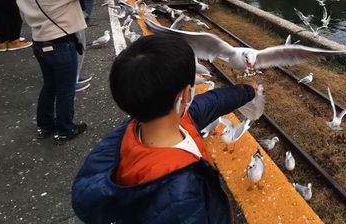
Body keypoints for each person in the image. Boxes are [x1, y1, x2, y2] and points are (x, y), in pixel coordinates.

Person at [72, 34, 257, 223]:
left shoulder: (131, 132)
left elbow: (210, 103)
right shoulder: (182, 194)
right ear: (185, 94)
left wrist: (247, 91)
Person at [15, 0, 137, 142]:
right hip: (61, 45)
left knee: (50, 86)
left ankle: (44, 125)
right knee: (66, 88)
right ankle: (65, 129)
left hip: (39, 45)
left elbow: (26, 18)